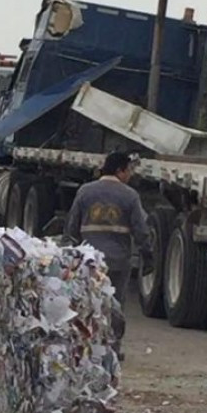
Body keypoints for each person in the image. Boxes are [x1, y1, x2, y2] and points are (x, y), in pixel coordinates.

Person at [64, 151, 153, 357]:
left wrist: (71, 255)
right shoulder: (130, 196)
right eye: (128, 170)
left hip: (89, 262)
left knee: (87, 303)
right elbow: (141, 230)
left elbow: (71, 227)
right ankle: (112, 349)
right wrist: (147, 255)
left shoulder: (85, 192)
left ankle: (85, 345)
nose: (130, 175)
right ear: (119, 170)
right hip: (118, 261)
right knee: (115, 305)